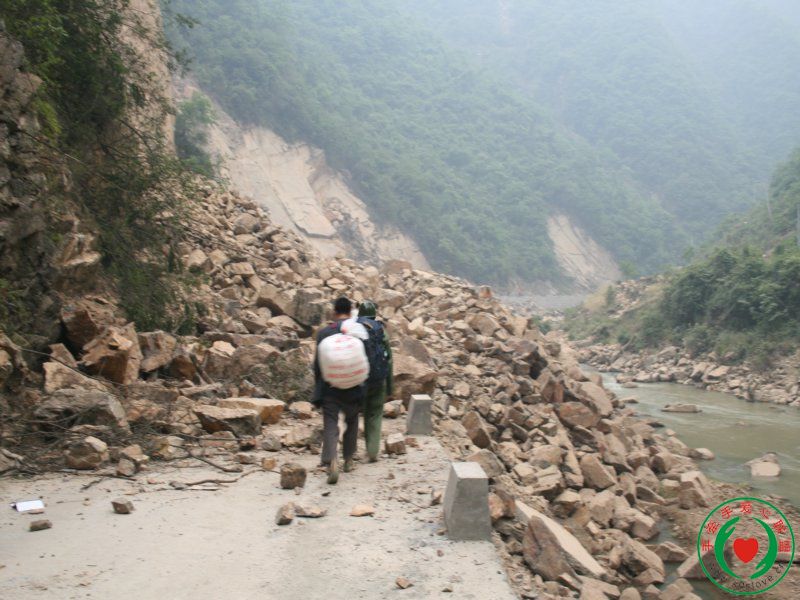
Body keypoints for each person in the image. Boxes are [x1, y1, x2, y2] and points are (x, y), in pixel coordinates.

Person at [312, 296, 365, 484]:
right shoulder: (357, 331)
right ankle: (349, 459)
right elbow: (364, 359)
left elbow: (317, 364)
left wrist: (319, 387)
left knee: (331, 423)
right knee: (352, 421)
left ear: (334, 313)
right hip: (353, 387)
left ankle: (332, 460)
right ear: (350, 312)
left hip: (330, 388)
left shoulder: (324, 333)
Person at [357, 300, 393, 462]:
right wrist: (390, 387)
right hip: (379, 379)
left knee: (365, 413)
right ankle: (373, 451)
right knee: (376, 414)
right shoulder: (380, 330)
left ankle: (363, 448)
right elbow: (389, 360)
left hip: (361, 379)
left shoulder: (354, 329)